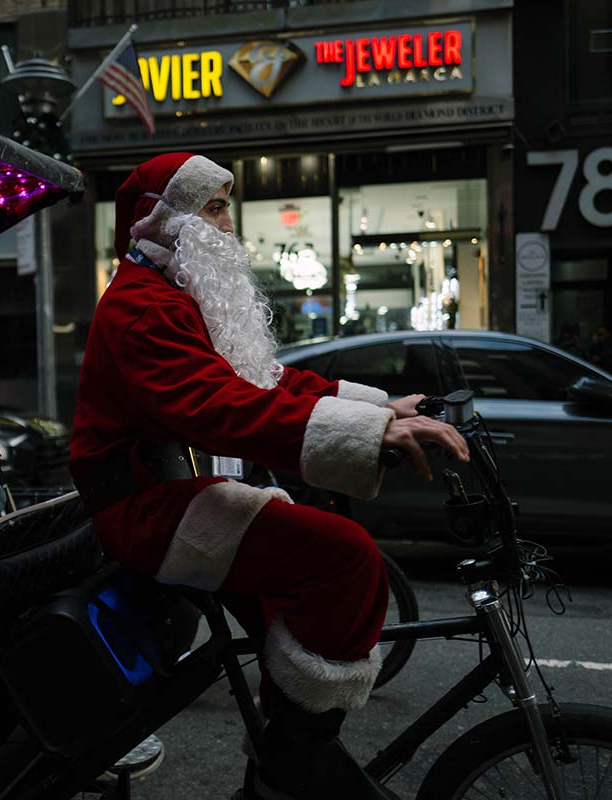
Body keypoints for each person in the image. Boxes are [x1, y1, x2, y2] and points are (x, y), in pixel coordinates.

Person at [69, 152, 468, 799]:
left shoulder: (175, 295)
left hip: (177, 493)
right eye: (216, 207)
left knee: (307, 574)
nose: (230, 224)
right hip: (145, 507)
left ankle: (280, 761)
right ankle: (294, 759)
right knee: (345, 557)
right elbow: (217, 405)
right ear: (166, 220)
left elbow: (264, 381)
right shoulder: (142, 305)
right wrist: (371, 433)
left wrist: (378, 407)